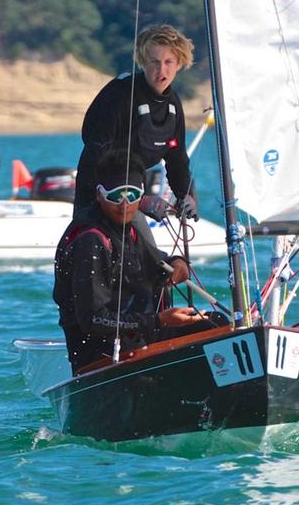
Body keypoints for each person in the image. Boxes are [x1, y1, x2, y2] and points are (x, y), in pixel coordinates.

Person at [54, 149, 218, 375]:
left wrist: (178, 263)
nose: (124, 204)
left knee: (215, 322)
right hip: (101, 356)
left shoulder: (129, 231)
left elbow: (157, 264)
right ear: (99, 195)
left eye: (132, 195)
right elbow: (93, 319)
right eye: (115, 196)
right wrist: (159, 320)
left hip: (141, 337)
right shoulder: (91, 240)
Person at [74, 24, 199, 222]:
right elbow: (94, 160)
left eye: (169, 62)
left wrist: (187, 197)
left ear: (179, 63)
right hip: (103, 199)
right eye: (154, 62)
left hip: (133, 198)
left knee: (150, 251)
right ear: (142, 61)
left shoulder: (173, 106)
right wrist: (140, 201)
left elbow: (177, 160)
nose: (161, 70)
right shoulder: (121, 96)